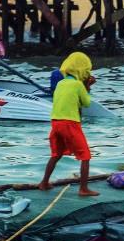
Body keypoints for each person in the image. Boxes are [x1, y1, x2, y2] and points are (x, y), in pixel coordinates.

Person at [39, 52, 97, 197]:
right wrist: (88, 87)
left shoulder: (60, 83)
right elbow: (87, 103)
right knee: (85, 155)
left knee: (56, 154)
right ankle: (84, 189)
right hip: (70, 123)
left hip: (55, 123)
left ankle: (44, 183)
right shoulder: (78, 84)